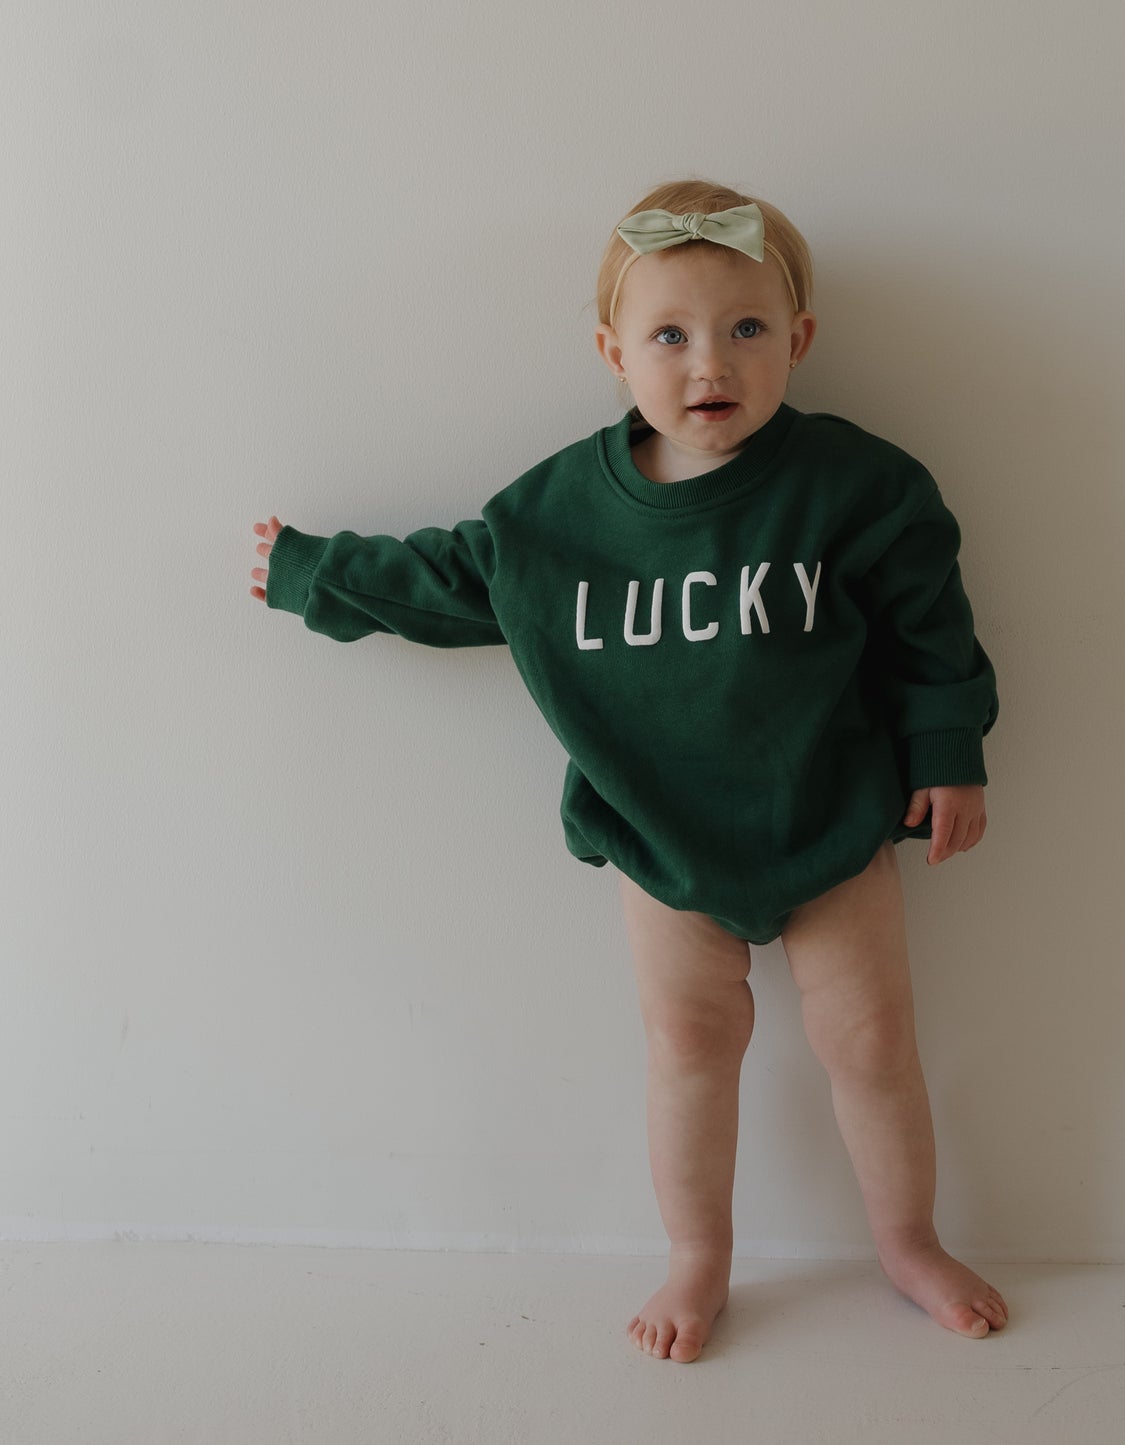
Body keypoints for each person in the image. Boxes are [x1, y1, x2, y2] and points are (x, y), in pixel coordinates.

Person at [249, 179, 1006, 1363]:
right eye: (669, 333)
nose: (710, 360)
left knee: (870, 1041)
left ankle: (904, 1237)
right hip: (661, 836)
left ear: (797, 341)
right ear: (613, 352)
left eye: (747, 328)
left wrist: (948, 753)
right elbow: (461, 578)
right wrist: (314, 572)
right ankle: (697, 1256)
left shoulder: (858, 487)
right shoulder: (561, 513)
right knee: (691, 1046)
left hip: (829, 818)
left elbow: (931, 631)